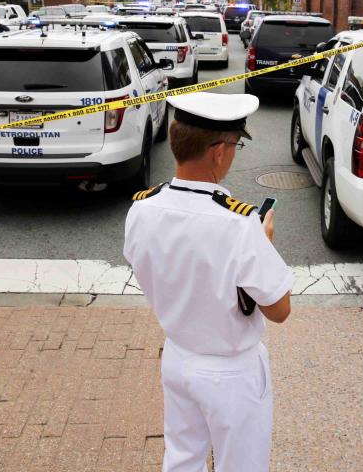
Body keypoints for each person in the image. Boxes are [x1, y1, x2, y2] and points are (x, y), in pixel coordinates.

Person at [124, 92, 294, 472]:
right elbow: (280, 309)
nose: (234, 153)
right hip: (231, 371)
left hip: (178, 356)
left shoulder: (141, 208)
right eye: (236, 145)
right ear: (218, 151)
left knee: (182, 459)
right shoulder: (239, 223)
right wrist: (263, 246)